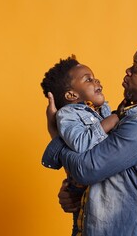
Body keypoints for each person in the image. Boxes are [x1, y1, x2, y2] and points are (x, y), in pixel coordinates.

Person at [42, 33, 137, 236]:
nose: (128, 71)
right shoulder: (125, 115)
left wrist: (56, 135)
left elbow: (87, 169)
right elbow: (106, 177)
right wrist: (74, 192)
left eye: (136, 69)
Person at [40, 55, 121, 235]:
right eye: (88, 79)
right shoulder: (68, 114)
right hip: (87, 193)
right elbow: (80, 142)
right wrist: (114, 119)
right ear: (71, 95)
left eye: (94, 77)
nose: (97, 81)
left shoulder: (101, 109)